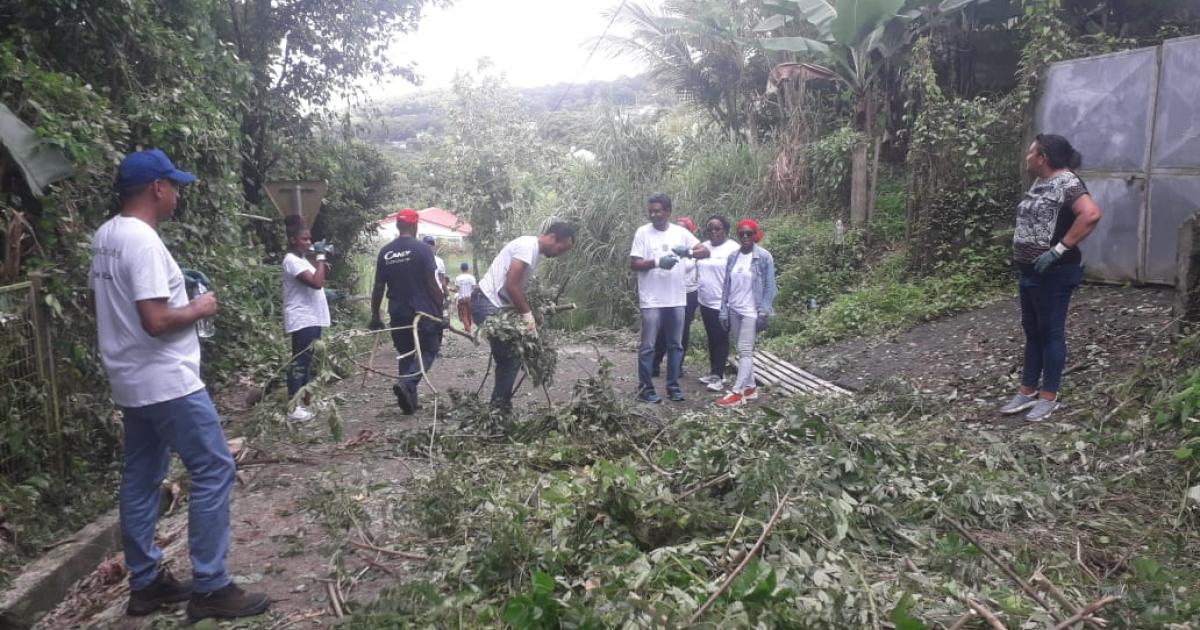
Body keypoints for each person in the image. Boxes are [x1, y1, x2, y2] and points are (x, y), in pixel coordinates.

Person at [89, 149, 268, 620]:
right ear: (156, 189)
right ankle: (211, 585)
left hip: (130, 380)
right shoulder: (143, 242)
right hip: (168, 381)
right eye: (174, 186)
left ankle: (145, 583)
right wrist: (200, 307)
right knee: (214, 469)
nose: (178, 194)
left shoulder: (106, 236)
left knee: (142, 478)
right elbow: (154, 319)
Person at [999, 134, 1101, 422]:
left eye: (1031, 152)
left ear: (1043, 158)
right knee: (1032, 330)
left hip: (1054, 272)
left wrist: (1058, 250)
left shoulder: (1068, 182)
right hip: (1030, 271)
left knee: (1050, 331)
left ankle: (1049, 396)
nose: (1027, 157)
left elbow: (1091, 214)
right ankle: (1028, 390)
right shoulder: (1041, 182)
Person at [472, 223, 577, 412]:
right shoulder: (528, 246)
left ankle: (500, 406)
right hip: (486, 303)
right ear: (552, 237)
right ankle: (499, 408)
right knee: (511, 356)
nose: (559, 254)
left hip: (495, 304)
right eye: (561, 248)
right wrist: (528, 317)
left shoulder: (533, 251)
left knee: (509, 356)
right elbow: (512, 286)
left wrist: (534, 312)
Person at [629, 193, 709, 403]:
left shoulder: (680, 233)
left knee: (676, 345)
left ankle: (673, 387)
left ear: (667, 212)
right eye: (651, 210)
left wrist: (689, 252)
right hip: (652, 300)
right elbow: (634, 264)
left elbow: (705, 251)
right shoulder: (642, 233)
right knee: (648, 347)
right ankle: (645, 388)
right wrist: (656, 262)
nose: (654, 214)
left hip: (676, 299)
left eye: (658, 210)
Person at [370, 209, 446, 415]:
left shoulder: (385, 252)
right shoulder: (422, 250)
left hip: (398, 312)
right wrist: (441, 312)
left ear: (397, 226)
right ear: (415, 225)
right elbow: (432, 284)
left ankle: (409, 401)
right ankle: (407, 382)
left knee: (405, 354)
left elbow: (378, 287)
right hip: (423, 312)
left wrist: (375, 315)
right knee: (429, 350)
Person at [715, 219, 777, 407]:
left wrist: (764, 311)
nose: (745, 236)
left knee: (744, 350)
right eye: (741, 233)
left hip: (752, 311)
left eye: (749, 233)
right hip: (734, 309)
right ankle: (750, 388)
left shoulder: (764, 257)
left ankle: (737, 392)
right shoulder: (733, 256)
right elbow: (727, 284)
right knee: (741, 349)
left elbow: (770, 286)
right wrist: (723, 309)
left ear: (755, 234)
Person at [281, 214, 330, 422]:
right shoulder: (291, 260)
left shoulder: (301, 260)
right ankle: (293, 407)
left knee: (310, 362)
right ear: (293, 240)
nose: (308, 242)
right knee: (300, 363)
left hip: (313, 317)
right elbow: (316, 283)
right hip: (303, 319)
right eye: (304, 239)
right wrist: (320, 258)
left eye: (310, 239)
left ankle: (308, 401)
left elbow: (318, 282)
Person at [696, 215, 740, 392]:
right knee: (712, 338)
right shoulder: (703, 247)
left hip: (723, 304)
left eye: (718, 228)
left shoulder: (733, 249)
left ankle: (718, 376)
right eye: (710, 229)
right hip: (705, 301)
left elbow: (738, 277)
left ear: (726, 230)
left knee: (720, 339)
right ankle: (714, 372)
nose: (714, 232)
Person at [651, 217, 699, 378]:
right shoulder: (670, 246)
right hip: (669, 292)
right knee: (663, 329)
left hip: (688, 293)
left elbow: (694, 267)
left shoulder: (694, 250)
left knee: (683, 331)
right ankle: (655, 362)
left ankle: (677, 365)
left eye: (685, 228)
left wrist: (687, 253)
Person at [423, 234, 450, 315]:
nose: (430, 247)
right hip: (431, 295)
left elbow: (442, 280)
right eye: (428, 245)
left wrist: (446, 293)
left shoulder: (439, 261)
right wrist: (447, 295)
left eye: (431, 245)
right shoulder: (438, 261)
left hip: (432, 294)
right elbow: (442, 281)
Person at [454, 261, 477, 333]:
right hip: (470, 299)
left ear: (461, 269)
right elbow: (474, 288)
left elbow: (456, 290)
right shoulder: (472, 277)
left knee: (464, 315)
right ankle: (469, 328)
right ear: (468, 269)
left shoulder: (458, 278)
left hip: (462, 299)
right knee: (469, 314)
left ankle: (468, 330)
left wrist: (449, 289)